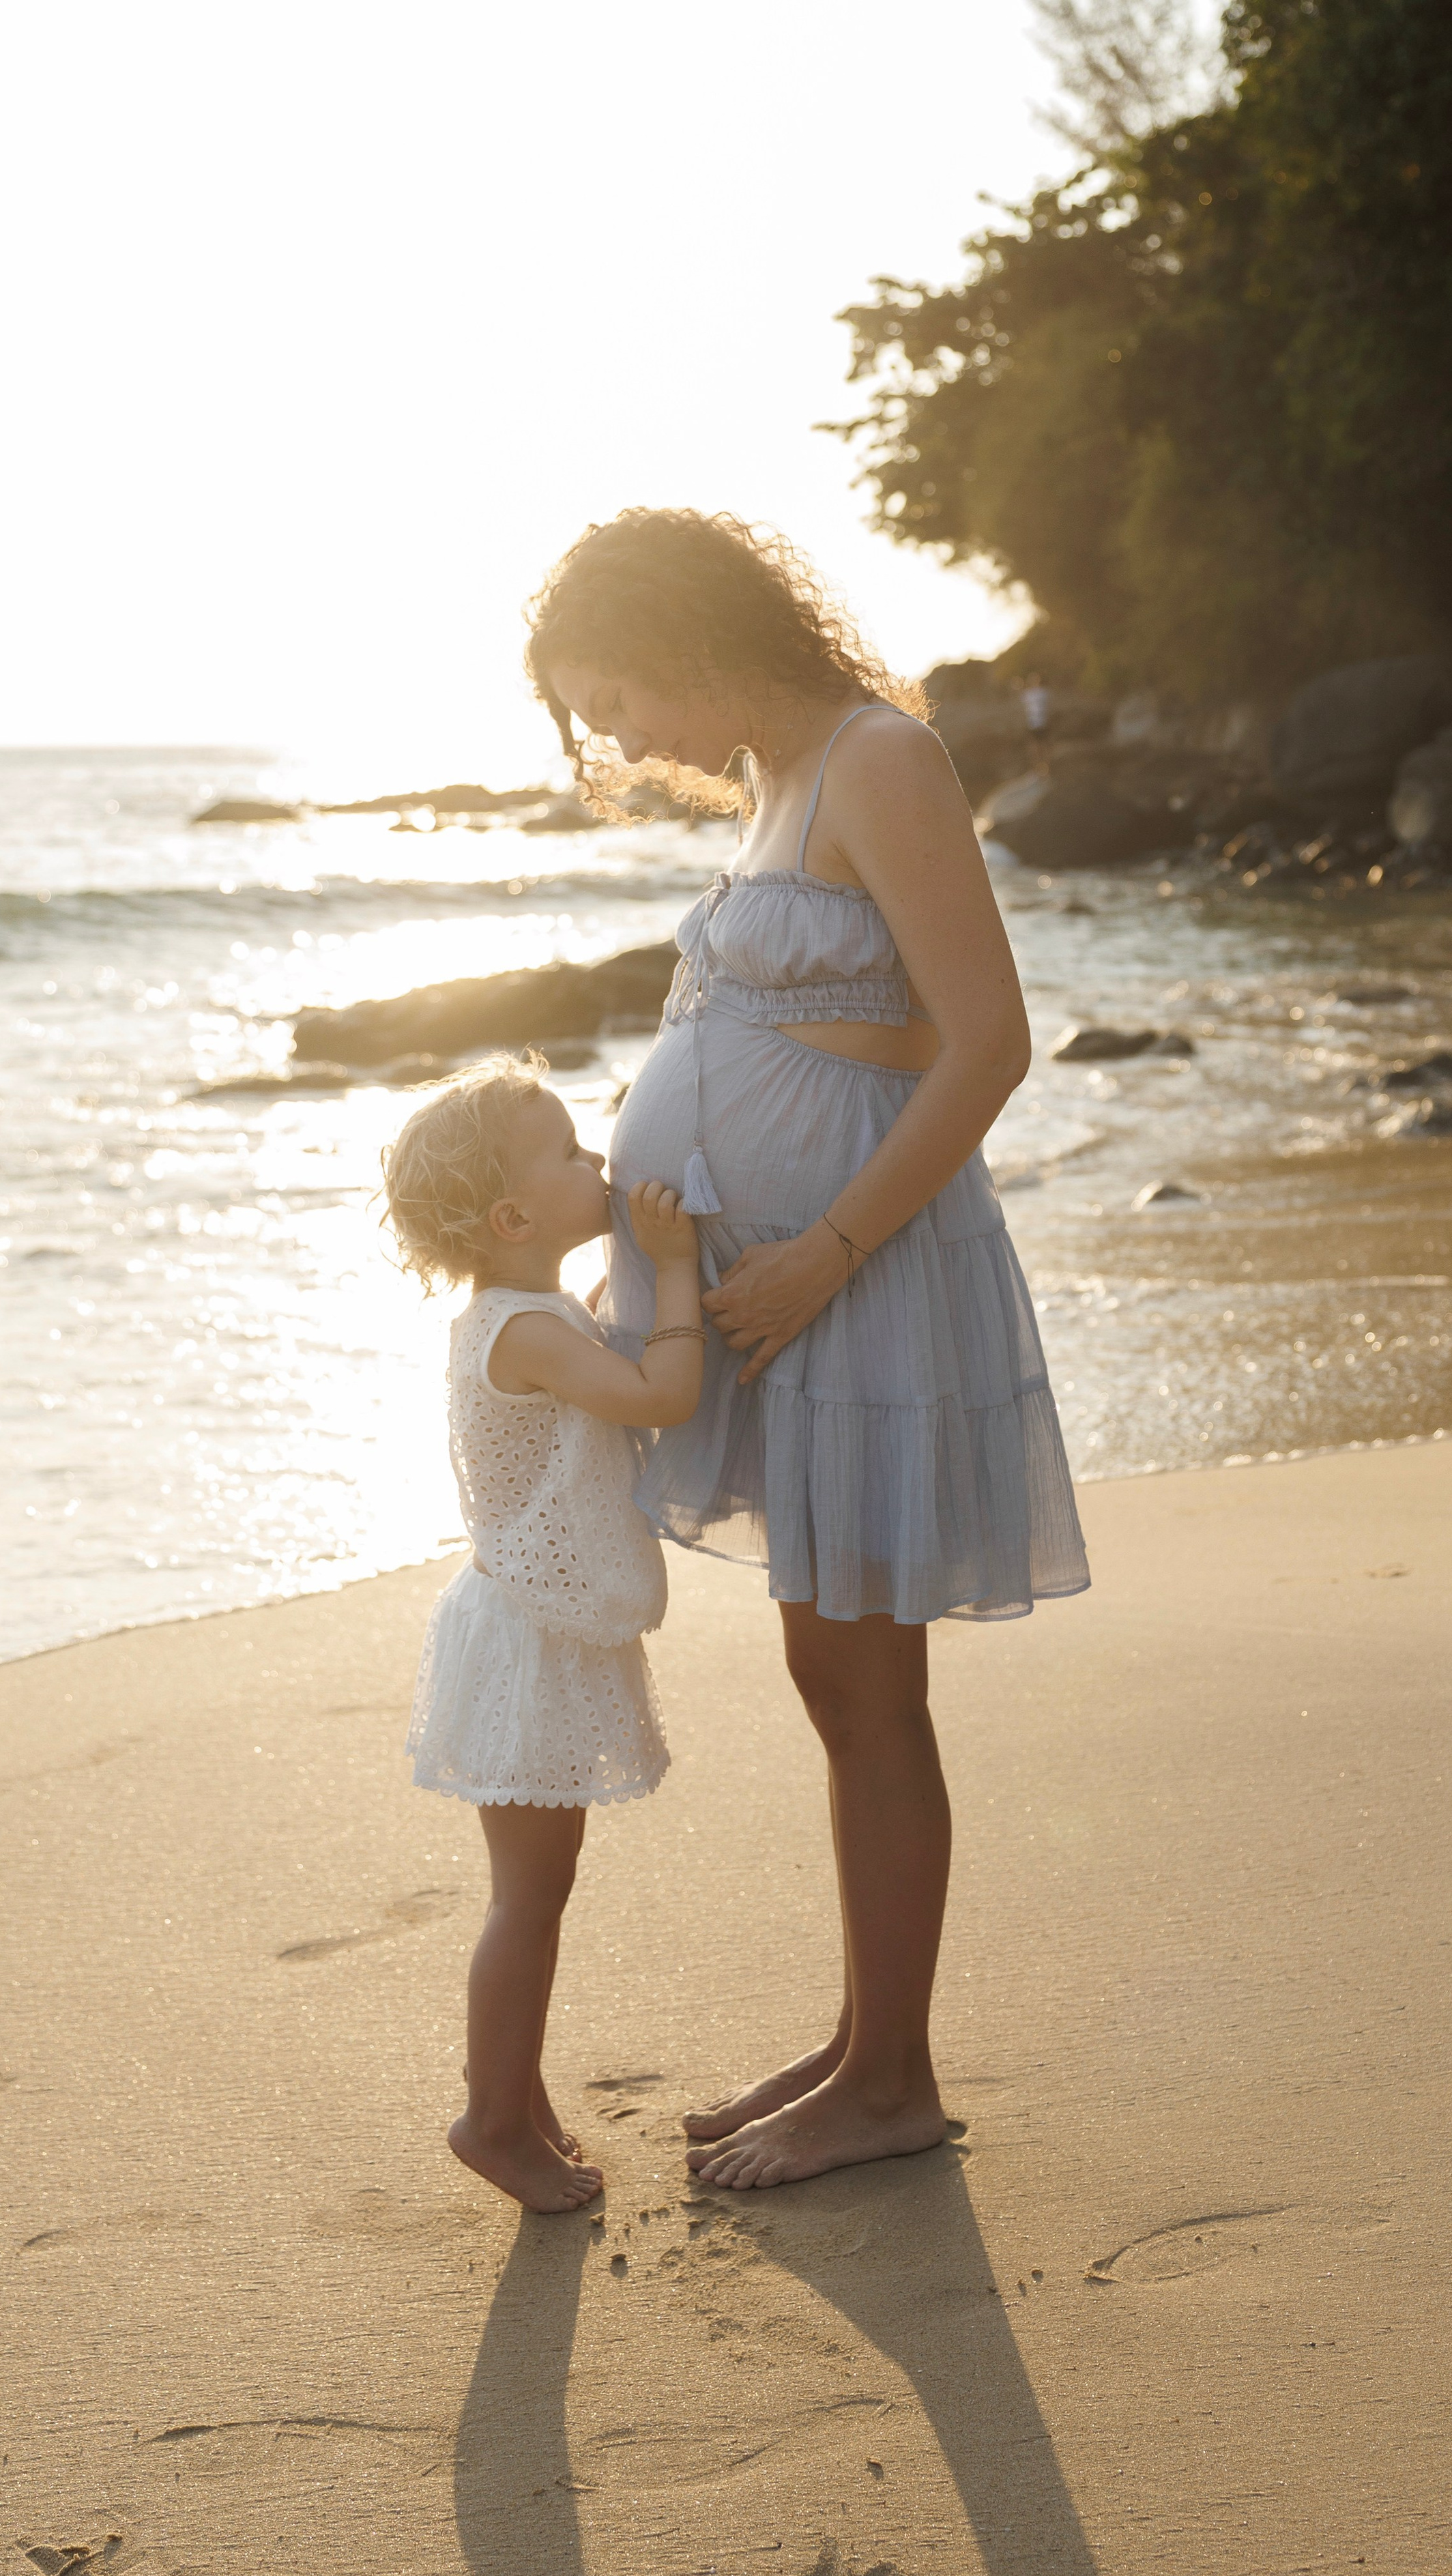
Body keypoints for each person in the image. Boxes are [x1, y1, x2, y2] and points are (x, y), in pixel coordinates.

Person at [525, 509, 1088, 2192]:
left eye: (618, 698)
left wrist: (826, 1251)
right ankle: (862, 2042)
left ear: (694, 634)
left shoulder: (877, 757)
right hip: (778, 1294)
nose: (623, 743)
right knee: (833, 1674)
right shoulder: (782, 776)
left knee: (864, 1680)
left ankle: (893, 2077)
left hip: (859, 1279)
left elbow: (984, 1042)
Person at [381, 1054, 703, 2212]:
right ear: (514, 1215)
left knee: (536, 1888)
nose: (598, 1162)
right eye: (571, 1152)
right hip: (527, 1638)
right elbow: (660, 1394)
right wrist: (674, 1273)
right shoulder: (525, 1332)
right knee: (530, 1896)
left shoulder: (534, 1313)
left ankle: (517, 2094)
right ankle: (493, 2120)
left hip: (529, 1624)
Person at [1021, 671, 1054, 767]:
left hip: (1044, 723)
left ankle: (1047, 766)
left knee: (1045, 745)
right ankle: (1037, 767)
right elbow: (1024, 710)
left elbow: (1050, 707)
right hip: (1032, 724)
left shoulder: (1044, 693)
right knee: (1034, 747)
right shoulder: (1027, 694)